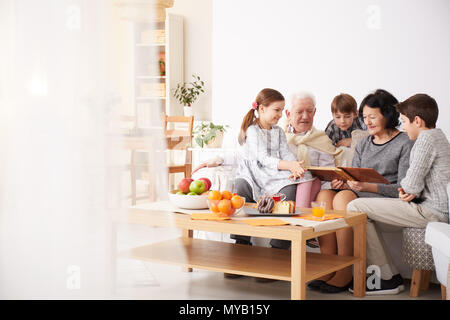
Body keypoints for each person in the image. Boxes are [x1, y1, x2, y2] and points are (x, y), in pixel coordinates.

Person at [310, 89, 414, 294]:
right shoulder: (365, 142)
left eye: (373, 117)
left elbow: (402, 187)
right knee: (324, 196)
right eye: (365, 117)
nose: (368, 122)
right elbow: (353, 176)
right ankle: (328, 266)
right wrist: (342, 182)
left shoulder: (404, 143)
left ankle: (346, 268)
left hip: (384, 198)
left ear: (388, 115)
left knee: (343, 201)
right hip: (359, 192)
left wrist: (364, 187)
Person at [347, 93, 450, 295]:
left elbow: (410, 184)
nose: (403, 127)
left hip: (430, 211)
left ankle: (387, 278)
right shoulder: (440, 136)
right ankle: (387, 276)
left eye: (404, 122)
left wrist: (406, 191)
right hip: (436, 208)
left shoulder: (424, 140)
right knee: (364, 217)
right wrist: (409, 190)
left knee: (354, 207)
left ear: (417, 121)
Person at [230, 88, 312, 252]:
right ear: (261, 109)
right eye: (277, 110)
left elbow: (286, 153)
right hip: (253, 174)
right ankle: (241, 243)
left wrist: (295, 165)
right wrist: (288, 166)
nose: (280, 114)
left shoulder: (279, 131)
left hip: (270, 172)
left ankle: (279, 245)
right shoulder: (253, 130)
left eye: (282, 110)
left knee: (292, 186)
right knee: (241, 187)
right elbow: (263, 158)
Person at [284, 91, 345, 208]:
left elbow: (327, 174)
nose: (305, 116)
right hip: (284, 185)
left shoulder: (321, 139)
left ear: (315, 112)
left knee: (309, 180)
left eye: (309, 111)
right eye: (299, 112)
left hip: (311, 188)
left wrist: (333, 184)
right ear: (288, 114)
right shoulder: (280, 137)